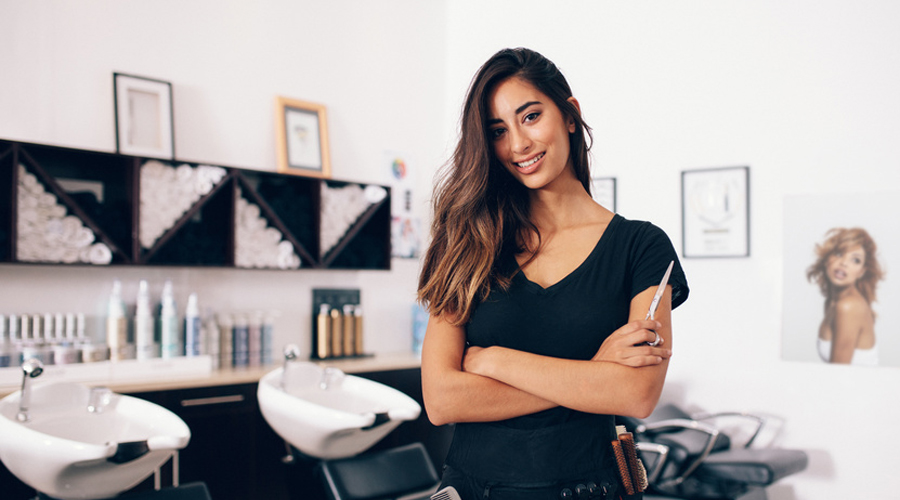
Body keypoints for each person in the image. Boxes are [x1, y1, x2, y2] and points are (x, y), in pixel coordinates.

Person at [417, 48, 689, 500]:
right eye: (498, 131)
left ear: (569, 115)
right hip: (474, 489)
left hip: (593, 488)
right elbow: (443, 400)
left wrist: (494, 361)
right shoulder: (468, 241)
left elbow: (636, 394)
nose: (518, 144)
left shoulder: (643, 247)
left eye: (530, 116)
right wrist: (594, 374)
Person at [806, 227, 883, 366]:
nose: (844, 263)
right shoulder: (832, 302)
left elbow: (838, 375)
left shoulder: (848, 306)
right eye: (839, 253)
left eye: (855, 260)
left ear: (861, 272)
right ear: (826, 258)